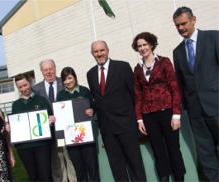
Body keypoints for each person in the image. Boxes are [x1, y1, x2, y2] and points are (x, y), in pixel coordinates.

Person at [87, 40, 146, 181]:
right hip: (107, 129)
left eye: (102, 50)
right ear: (92, 54)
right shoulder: (90, 74)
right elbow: (98, 99)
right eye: (96, 51)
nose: (99, 54)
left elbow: (134, 95)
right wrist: (92, 109)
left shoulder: (122, 67)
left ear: (108, 50)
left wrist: (139, 119)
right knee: (117, 167)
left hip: (126, 125)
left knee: (135, 164)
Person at [131, 32, 186, 182]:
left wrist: (176, 114)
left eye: (144, 44)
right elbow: (138, 96)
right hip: (148, 116)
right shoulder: (137, 69)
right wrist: (139, 119)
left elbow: (174, 88)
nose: (142, 48)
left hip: (167, 113)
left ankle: (180, 179)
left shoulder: (164, 62)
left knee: (174, 150)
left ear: (151, 44)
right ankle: (164, 179)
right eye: (139, 46)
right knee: (158, 152)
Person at [172, 7, 219, 181]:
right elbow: (181, 83)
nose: (181, 28)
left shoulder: (214, 37)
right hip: (196, 113)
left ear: (194, 20)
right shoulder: (177, 52)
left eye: (183, 23)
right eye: (177, 25)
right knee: (206, 155)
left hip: (216, 105)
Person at [32, 59, 77, 182]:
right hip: (49, 132)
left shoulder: (66, 83)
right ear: (41, 72)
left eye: (51, 69)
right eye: (45, 70)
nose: (49, 72)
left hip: (68, 129)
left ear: (55, 69)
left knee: (71, 159)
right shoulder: (35, 89)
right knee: (56, 163)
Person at [57, 66, 100, 182]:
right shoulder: (60, 96)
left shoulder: (84, 91)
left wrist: (92, 110)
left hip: (86, 136)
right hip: (71, 139)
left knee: (92, 167)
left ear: (75, 77)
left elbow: (94, 106)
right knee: (79, 169)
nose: (68, 82)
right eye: (65, 79)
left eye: (70, 78)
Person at [12, 74, 53, 181]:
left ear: (30, 82)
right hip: (24, 148)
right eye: (20, 87)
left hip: (42, 145)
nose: (23, 89)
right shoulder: (15, 105)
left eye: (25, 85)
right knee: (33, 177)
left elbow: (50, 117)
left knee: (46, 176)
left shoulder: (41, 100)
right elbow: (15, 124)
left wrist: (51, 120)